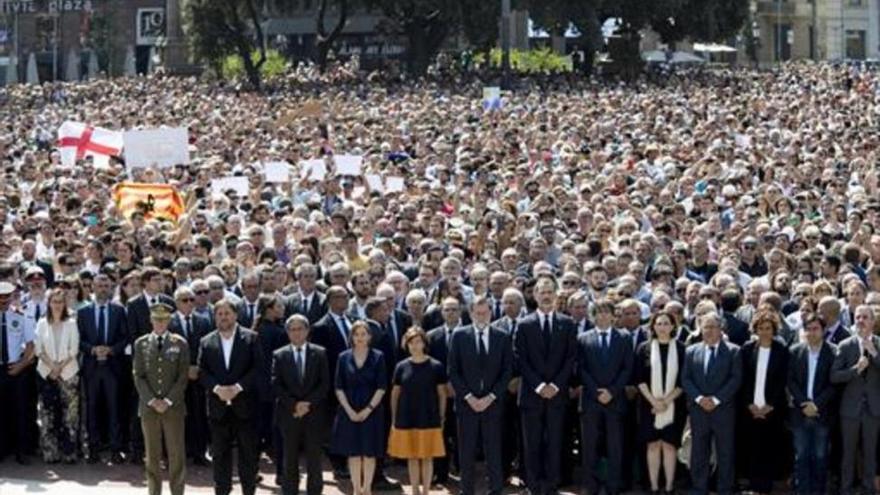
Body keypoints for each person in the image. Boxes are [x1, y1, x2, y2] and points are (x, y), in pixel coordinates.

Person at [514, 276, 577, 495]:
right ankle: (533, 486)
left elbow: (570, 358)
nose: (546, 295)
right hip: (532, 395)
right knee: (532, 443)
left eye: (550, 291)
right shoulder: (524, 324)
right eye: (542, 291)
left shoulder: (567, 323)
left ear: (556, 294)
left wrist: (555, 386)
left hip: (557, 395)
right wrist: (540, 386)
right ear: (535, 295)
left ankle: (551, 486)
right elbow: (520, 359)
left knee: (555, 442)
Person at [447, 295, 513, 495]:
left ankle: (496, 489)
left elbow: (506, 372)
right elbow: (453, 371)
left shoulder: (502, 337)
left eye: (485, 313)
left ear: (491, 313)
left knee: (494, 450)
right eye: (478, 313)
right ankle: (466, 490)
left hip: (492, 404)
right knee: (466, 451)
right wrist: (470, 397)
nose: (482, 316)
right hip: (467, 404)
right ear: (471, 313)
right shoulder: (459, 336)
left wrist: (490, 397)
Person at [198, 298, 264, 495]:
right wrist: (218, 388)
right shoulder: (206, 341)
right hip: (218, 408)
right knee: (220, 455)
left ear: (235, 315)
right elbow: (202, 371)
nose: (223, 317)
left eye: (227, 313)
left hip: (245, 407)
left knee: (248, 455)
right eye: (219, 314)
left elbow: (258, 369)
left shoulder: (251, 338)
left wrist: (238, 387)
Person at [577, 298, 634, 495]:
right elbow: (581, 369)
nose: (602, 316)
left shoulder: (624, 338)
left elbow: (627, 368)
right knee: (590, 446)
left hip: (615, 400)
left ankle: (613, 485)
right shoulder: (583, 338)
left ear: (612, 315)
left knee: (615, 446)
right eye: (598, 312)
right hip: (591, 401)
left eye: (606, 312)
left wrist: (612, 391)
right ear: (593, 316)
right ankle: (591, 486)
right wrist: (596, 391)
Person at [681, 312, 742, 495]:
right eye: (706, 327)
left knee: (725, 451)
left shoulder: (733, 351)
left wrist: (715, 400)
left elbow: (735, 379)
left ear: (720, 329)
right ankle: (699, 487)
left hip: (723, 409)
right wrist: (700, 399)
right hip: (699, 410)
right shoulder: (691, 351)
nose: (709, 331)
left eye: (713, 327)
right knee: (699, 451)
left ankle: (725, 488)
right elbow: (686, 379)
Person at [133, 303, 190, 495]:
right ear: (151, 320)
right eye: (156, 319)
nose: (160, 323)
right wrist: (151, 400)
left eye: (164, 319)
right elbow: (138, 375)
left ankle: (177, 492)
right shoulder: (141, 343)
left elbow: (182, 376)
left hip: (173, 407)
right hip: (149, 408)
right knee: (152, 455)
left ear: (169, 320)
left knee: (176, 454)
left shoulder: (179, 343)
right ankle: (154, 492)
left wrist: (167, 400)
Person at [272, 314, 330, 495]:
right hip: (289, 413)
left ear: (307, 331)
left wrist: (307, 404)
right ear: (287, 332)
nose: (296, 333)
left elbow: (324, 383)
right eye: (292, 329)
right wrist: (294, 405)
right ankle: (290, 489)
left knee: (314, 456)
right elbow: (276, 384)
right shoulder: (279, 355)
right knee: (290, 455)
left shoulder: (319, 353)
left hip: (314, 413)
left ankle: (314, 489)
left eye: (300, 329)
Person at [330, 320, 388, 495]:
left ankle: (367, 489)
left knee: (369, 454)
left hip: (372, 411)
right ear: (352, 337)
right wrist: (349, 411)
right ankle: (356, 490)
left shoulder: (378, 357)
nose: (360, 338)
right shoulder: (343, 357)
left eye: (364, 334)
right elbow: (338, 387)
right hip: (349, 410)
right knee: (353, 453)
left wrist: (367, 410)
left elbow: (382, 387)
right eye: (356, 334)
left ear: (369, 336)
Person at [388, 327, 447, 495]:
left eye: (418, 342)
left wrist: (442, 417)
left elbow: (442, 394)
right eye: (411, 342)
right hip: (406, 417)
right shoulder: (401, 367)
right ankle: (415, 490)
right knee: (412, 456)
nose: (415, 346)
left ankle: (426, 491)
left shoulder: (436, 366)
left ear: (424, 343)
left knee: (428, 456)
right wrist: (394, 418)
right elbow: (395, 394)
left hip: (429, 416)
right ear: (406, 345)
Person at [77, 272, 128, 463]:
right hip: (91, 368)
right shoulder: (83, 312)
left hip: (112, 367)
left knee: (114, 408)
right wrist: (92, 350)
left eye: (106, 286)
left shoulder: (118, 310)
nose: (103, 289)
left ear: (111, 289)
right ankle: (93, 449)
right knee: (92, 409)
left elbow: (125, 337)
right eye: (99, 285)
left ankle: (116, 449)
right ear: (93, 288)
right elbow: (79, 339)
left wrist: (111, 350)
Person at [634, 311, 685, 495]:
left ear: (673, 326)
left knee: (669, 445)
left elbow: (682, 380)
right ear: (653, 326)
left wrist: (666, 401)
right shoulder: (643, 348)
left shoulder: (681, 348)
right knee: (653, 445)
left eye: (666, 323)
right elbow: (639, 379)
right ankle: (655, 487)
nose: (662, 327)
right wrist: (655, 402)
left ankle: (669, 486)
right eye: (659, 323)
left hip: (674, 405)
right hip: (649, 406)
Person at [739, 309, 790, 495]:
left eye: (768, 328)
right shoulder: (746, 349)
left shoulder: (781, 351)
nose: (764, 332)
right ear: (755, 329)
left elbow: (782, 380)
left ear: (774, 330)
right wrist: (750, 405)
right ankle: (753, 485)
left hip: (772, 410)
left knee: (769, 447)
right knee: (752, 446)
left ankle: (766, 486)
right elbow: (743, 380)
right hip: (750, 409)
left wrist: (770, 405)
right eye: (761, 328)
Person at [831, 305, 880, 495]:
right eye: (858, 317)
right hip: (850, 409)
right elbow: (834, 376)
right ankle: (846, 489)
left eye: (865, 317)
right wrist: (855, 370)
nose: (860, 320)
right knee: (848, 453)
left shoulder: (879, 343)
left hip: (874, 408)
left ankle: (868, 489)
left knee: (870, 453)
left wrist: (874, 353)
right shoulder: (845, 345)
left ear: (873, 321)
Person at [787, 312, 838, 495]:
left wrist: (816, 405)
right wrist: (804, 404)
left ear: (823, 331)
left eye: (815, 329)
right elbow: (791, 380)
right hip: (800, 413)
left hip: (822, 413)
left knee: (820, 455)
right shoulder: (795, 351)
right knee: (801, 455)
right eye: (807, 329)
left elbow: (833, 384)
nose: (811, 333)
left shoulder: (833, 352)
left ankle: (818, 491)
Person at [33, 287, 80, 464]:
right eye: (54, 301)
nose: (57, 305)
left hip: (68, 373)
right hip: (46, 373)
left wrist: (60, 368)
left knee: (70, 416)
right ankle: (50, 452)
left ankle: (69, 453)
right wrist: (52, 367)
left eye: (60, 302)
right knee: (47, 414)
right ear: (49, 303)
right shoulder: (42, 322)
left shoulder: (72, 323)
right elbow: (38, 349)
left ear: (65, 304)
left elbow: (73, 350)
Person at [168, 286, 213, 465]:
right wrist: (184, 369)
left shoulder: (203, 321)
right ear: (177, 302)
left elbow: (208, 348)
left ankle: (199, 452)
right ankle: (180, 452)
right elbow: (167, 351)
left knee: (199, 414)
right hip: (176, 378)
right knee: (178, 416)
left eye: (191, 300)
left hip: (198, 377)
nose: (189, 304)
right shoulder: (170, 323)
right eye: (184, 300)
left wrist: (197, 369)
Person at [0, 281, 36, 464]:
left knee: (20, 411)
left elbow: (31, 345)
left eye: (7, 297)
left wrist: (21, 365)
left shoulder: (21, 317)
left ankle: (21, 451)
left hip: (17, 368)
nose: (3, 301)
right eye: (1, 297)